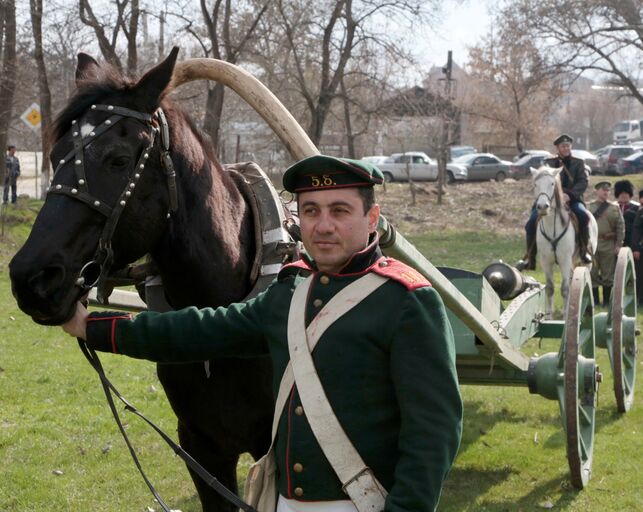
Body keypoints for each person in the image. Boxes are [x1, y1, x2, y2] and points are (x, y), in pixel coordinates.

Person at [61, 155, 463, 512]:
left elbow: (433, 435)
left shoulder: (407, 301)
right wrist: (91, 327)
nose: (323, 226)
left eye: (340, 211)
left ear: (371, 218)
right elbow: (203, 330)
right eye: (311, 211)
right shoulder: (291, 289)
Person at [518, 134, 591, 270]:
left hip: (572, 200)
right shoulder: (548, 163)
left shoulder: (579, 163)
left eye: (568, 146)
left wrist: (569, 195)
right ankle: (530, 259)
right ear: (557, 148)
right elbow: (540, 181)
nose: (566, 148)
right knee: (531, 222)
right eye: (563, 146)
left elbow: (583, 182)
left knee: (583, 216)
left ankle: (583, 251)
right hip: (548, 200)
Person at [588, 181, 625, 306]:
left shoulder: (614, 208)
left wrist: (618, 244)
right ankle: (595, 302)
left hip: (608, 244)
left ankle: (607, 302)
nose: (605, 192)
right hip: (592, 244)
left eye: (607, 190)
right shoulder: (589, 207)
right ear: (596, 191)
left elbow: (620, 227)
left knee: (608, 274)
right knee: (592, 273)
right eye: (603, 190)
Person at [614, 180, 639, 247]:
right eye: (621, 193)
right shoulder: (611, 207)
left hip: (631, 242)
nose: (624, 195)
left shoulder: (638, 208)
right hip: (613, 242)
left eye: (626, 193)